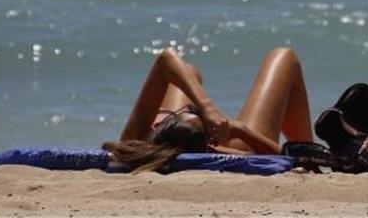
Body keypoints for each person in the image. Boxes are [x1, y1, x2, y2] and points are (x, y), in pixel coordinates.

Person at [102, 46, 314, 172]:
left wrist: (205, 108)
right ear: (213, 147)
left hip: (183, 143)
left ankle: (180, 116)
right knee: (284, 57)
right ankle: (310, 147)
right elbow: (288, 158)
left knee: (188, 72)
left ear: (156, 129)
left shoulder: (136, 139)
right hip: (242, 143)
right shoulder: (230, 152)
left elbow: (167, 59)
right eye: (196, 115)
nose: (190, 110)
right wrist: (241, 130)